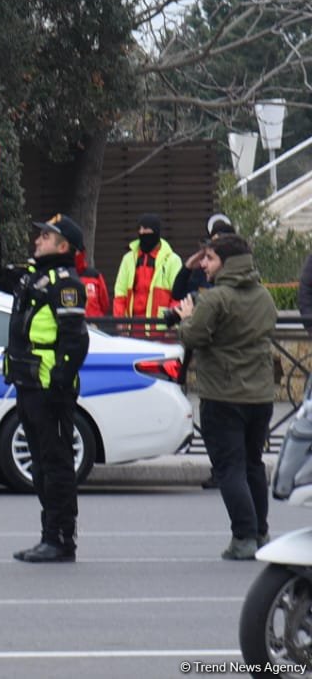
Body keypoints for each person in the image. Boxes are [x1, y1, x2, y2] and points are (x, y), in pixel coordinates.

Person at [0, 213, 91, 563]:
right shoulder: (34, 276)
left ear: (63, 246)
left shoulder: (66, 284)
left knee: (56, 466)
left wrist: (59, 384)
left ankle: (61, 540)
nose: (38, 239)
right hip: (27, 384)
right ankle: (48, 535)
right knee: (40, 466)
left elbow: (75, 341)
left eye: (46, 236)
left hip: (48, 389)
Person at [171, 233, 277, 560]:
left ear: (226, 263)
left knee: (230, 468)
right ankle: (261, 532)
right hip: (260, 394)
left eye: (210, 258)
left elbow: (195, 336)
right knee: (253, 465)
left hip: (223, 394)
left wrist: (185, 319)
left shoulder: (217, 299)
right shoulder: (263, 296)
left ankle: (242, 537)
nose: (204, 264)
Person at [113, 212, 181, 337]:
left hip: (162, 330)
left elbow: (177, 297)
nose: (142, 232)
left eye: (145, 229)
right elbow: (120, 294)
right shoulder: (128, 259)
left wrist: (172, 325)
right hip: (132, 330)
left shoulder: (172, 260)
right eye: (139, 229)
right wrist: (120, 321)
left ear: (155, 231)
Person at [172, 213, 236, 305]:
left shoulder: (240, 276)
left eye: (210, 258)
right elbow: (177, 294)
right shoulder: (203, 274)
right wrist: (187, 267)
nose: (204, 264)